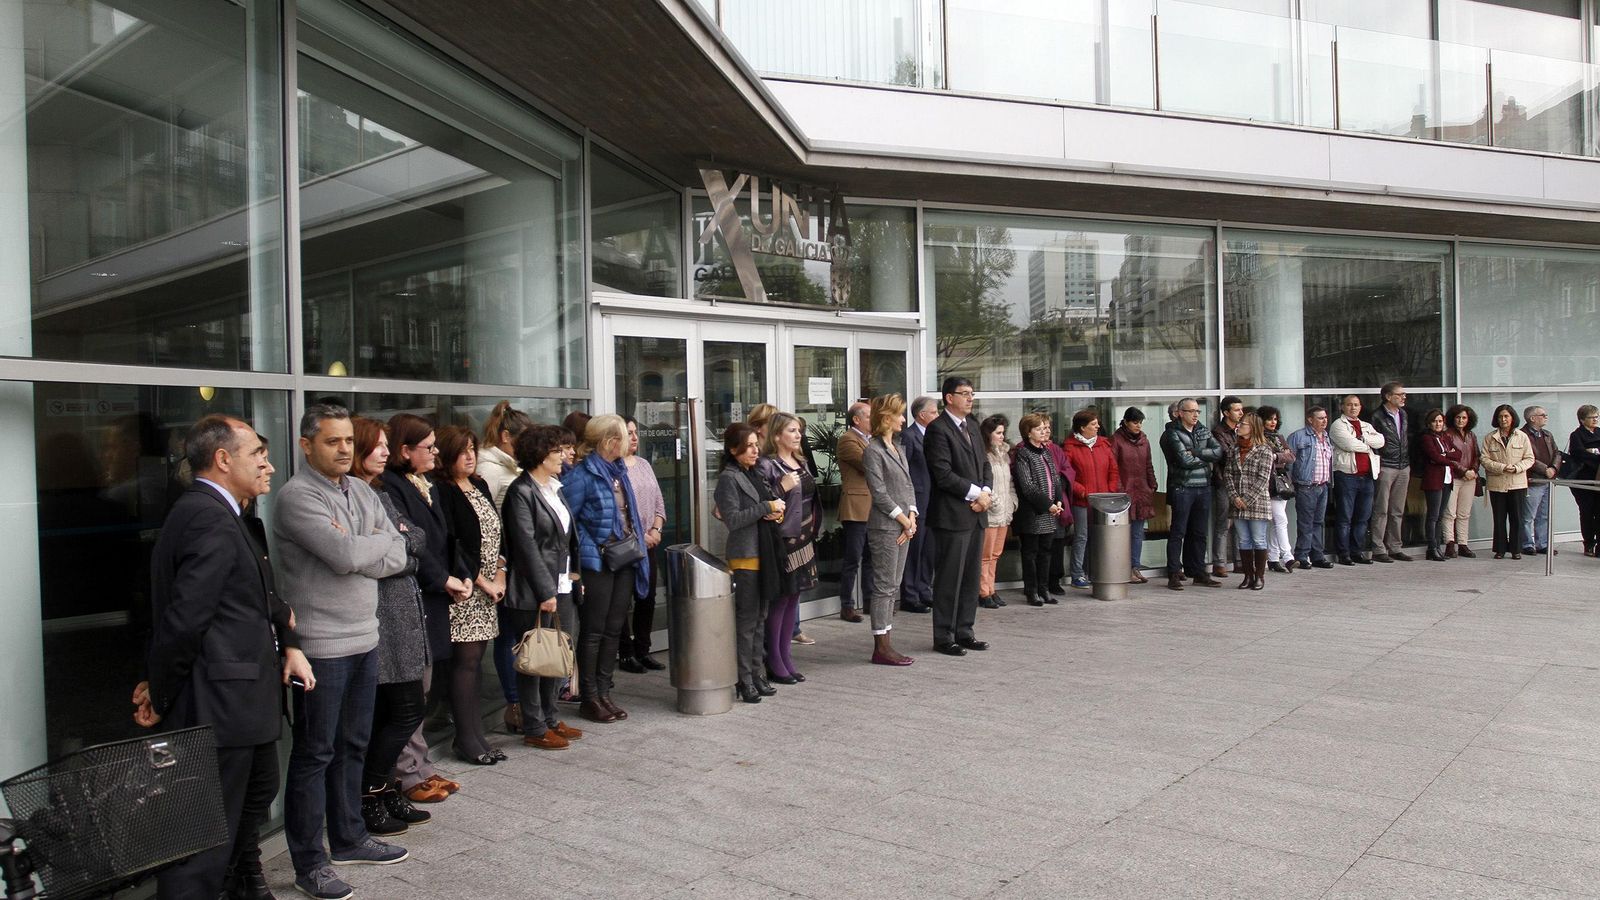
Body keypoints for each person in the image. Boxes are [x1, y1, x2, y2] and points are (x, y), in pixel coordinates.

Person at [139, 415, 312, 900]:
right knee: (202, 842)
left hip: (240, 703)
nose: (270, 466)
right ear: (222, 459)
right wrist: (161, 690)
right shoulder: (204, 515)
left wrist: (287, 640)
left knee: (250, 805)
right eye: (258, 455)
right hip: (218, 706)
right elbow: (184, 618)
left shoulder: (224, 513)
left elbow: (244, 600)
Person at [275, 404, 410, 898]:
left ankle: (350, 837)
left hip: (365, 637)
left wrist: (369, 545)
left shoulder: (360, 490)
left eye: (349, 441)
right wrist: (373, 543)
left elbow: (398, 553)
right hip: (320, 647)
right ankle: (310, 864)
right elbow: (346, 555)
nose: (345, 450)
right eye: (333, 442)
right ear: (307, 445)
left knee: (353, 745)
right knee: (315, 754)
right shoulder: (295, 497)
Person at [379, 413, 469, 805]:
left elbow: (446, 537)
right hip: (415, 594)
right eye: (427, 448)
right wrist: (442, 578)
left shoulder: (426, 482)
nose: (435, 453)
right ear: (405, 451)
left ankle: (422, 764)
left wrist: (460, 574)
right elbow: (412, 545)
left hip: (436, 593)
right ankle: (409, 772)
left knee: (426, 683)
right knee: (413, 687)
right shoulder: (393, 487)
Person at [350, 417, 431, 839]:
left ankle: (382, 788)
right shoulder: (355, 495)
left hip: (401, 611)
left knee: (397, 711)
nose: (385, 451)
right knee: (402, 711)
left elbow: (416, 537)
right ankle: (370, 793)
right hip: (382, 616)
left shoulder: (379, 491)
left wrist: (401, 546)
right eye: (378, 445)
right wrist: (400, 546)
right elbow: (379, 553)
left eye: (386, 445)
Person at [500, 424, 587, 747]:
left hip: (562, 582)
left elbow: (567, 539)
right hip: (535, 588)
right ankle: (535, 727)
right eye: (557, 451)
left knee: (560, 651)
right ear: (539, 455)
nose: (565, 455)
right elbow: (525, 547)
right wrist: (544, 592)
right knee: (535, 657)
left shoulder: (554, 486)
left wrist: (575, 577)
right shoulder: (521, 492)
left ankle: (551, 717)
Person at [563, 414, 650, 724]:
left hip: (623, 557)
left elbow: (629, 514)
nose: (627, 442)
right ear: (610, 441)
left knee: (614, 629)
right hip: (597, 561)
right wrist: (594, 544)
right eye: (622, 437)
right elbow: (568, 523)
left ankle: (603, 691)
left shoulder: (618, 472)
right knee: (594, 631)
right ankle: (589, 696)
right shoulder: (582, 475)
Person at [432, 426, 506, 764]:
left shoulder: (479, 484)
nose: (470, 455)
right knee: (465, 663)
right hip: (463, 590)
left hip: (489, 587)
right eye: (462, 450)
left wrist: (501, 571)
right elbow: (452, 543)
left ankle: (477, 734)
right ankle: (466, 738)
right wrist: (480, 580)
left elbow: (496, 534)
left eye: (472, 448)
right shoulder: (442, 490)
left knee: (477, 664)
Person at [923, 377, 992, 655]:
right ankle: (944, 636)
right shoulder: (938, 430)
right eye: (964, 394)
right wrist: (976, 494)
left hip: (976, 514)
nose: (970, 398)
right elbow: (942, 474)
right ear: (948, 398)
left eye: (972, 394)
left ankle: (965, 630)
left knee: (970, 577)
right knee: (950, 578)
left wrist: (986, 492)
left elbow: (985, 464)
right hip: (952, 516)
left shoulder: (973, 426)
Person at [715, 422, 783, 701]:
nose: (756, 450)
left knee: (760, 618)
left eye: (757, 444)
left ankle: (758, 674)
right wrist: (766, 508)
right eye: (750, 445)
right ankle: (744, 680)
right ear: (734, 450)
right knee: (746, 621)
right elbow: (732, 519)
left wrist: (775, 512)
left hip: (764, 552)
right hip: (745, 556)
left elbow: (770, 503)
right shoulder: (729, 478)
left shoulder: (753, 472)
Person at [478, 401, 531, 734]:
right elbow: (487, 522)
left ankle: (521, 700)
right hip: (500, 564)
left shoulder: (512, 465)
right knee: (507, 635)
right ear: (506, 436)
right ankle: (513, 702)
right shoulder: (490, 468)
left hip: (515, 561)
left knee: (514, 634)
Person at [759, 412, 821, 682]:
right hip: (782, 541)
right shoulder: (768, 465)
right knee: (781, 600)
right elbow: (762, 504)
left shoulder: (801, 460)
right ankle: (774, 660)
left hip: (804, 537)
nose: (798, 436)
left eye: (799, 431)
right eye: (792, 431)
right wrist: (781, 488)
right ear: (776, 436)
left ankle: (786, 656)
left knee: (794, 598)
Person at [863, 394, 918, 664]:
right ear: (886, 419)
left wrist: (912, 514)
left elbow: (907, 485)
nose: (903, 419)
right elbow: (879, 492)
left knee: (893, 586)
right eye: (900, 415)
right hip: (885, 527)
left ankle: (886, 641)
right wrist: (903, 519)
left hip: (902, 524)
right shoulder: (873, 450)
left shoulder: (897, 446)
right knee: (884, 586)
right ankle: (881, 647)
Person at [619, 416, 667, 673]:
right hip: (627, 544)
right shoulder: (614, 469)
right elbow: (617, 512)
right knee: (623, 600)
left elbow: (659, 501)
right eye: (629, 432)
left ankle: (643, 650)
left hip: (650, 542)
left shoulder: (644, 464)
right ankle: (625, 653)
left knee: (647, 597)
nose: (635, 437)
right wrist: (640, 535)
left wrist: (657, 529)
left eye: (636, 432)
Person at [1160, 398, 1222, 590]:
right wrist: (1205, 457)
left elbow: (1219, 451)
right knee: (1178, 531)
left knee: (1199, 532)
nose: (1195, 415)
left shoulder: (1203, 430)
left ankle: (1198, 571)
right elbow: (1183, 460)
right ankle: (1173, 573)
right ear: (1180, 413)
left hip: (1203, 486)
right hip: (1183, 486)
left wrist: (1195, 452)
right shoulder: (1171, 434)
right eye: (1191, 411)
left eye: (1197, 411)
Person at [1061, 407, 1120, 590]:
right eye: (1093, 424)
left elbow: (1113, 470)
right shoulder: (1070, 447)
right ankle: (1077, 574)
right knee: (1082, 536)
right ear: (1082, 428)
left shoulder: (1104, 444)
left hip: (1102, 501)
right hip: (1082, 501)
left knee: (1099, 537)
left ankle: (1096, 571)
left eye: (1097, 423)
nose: (1097, 427)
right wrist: (1082, 491)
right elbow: (1068, 474)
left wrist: (1109, 491)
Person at [1011, 412, 1065, 607]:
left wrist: (1058, 501)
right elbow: (1027, 486)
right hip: (1032, 513)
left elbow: (1056, 479)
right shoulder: (1023, 453)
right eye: (1040, 429)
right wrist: (1047, 504)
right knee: (1030, 553)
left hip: (1050, 511)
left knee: (1046, 552)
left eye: (1046, 428)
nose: (1045, 432)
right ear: (1028, 432)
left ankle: (1044, 589)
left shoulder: (1046, 451)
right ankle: (1031, 590)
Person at [1330, 394, 1384, 566]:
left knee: (1362, 517)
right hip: (1347, 476)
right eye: (1349, 405)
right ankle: (1343, 553)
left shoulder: (1366, 425)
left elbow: (1381, 441)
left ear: (1360, 407)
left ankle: (1357, 551)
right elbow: (1349, 445)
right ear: (1342, 407)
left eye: (1356, 405)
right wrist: (1368, 444)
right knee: (1345, 516)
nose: (1353, 408)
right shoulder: (1338, 425)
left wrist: (1364, 439)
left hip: (1367, 476)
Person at [1225, 413, 1274, 590]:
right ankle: (1247, 576)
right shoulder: (1234, 448)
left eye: (1243, 424)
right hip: (1237, 502)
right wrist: (1235, 497)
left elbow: (1263, 478)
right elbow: (1228, 474)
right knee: (1243, 540)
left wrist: (1247, 499)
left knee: (1258, 539)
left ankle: (1259, 576)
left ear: (1253, 427)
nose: (1239, 426)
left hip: (1257, 502)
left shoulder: (1264, 449)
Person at [899, 396, 939, 614]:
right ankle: (910, 595)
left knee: (929, 551)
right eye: (933, 412)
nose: (937, 415)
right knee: (915, 551)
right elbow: (904, 473)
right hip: (917, 501)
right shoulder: (908, 436)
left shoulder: (935, 435)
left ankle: (925, 590)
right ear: (922, 415)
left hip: (934, 501)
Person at [835, 401, 874, 623]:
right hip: (856, 507)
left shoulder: (870, 440)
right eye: (868, 416)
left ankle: (869, 601)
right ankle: (846, 605)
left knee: (871, 557)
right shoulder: (848, 439)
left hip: (873, 507)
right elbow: (868, 463)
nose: (873, 420)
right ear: (856, 420)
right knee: (852, 558)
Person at [1110, 407, 1156, 584]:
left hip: (1142, 492)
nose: (1139, 426)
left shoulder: (1144, 440)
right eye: (1135, 422)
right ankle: (1122, 568)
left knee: (1138, 533)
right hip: (1124, 493)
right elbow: (1113, 467)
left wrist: (1152, 484)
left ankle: (1135, 567)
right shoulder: (1116, 440)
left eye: (1141, 423)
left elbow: (1148, 464)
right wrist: (1120, 490)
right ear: (1126, 422)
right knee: (1122, 533)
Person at [1367, 383, 1413, 562]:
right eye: (1399, 394)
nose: (1403, 397)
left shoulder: (1403, 414)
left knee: (1397, 510)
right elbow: (1373, 441)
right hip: (1386, 465)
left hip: (1403, 466)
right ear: (1388, 396)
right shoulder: (1377, 416)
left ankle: (1395, 546)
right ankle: (1378, 548)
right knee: (1381, 509)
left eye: (1404, 394)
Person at [1481, 404, 1533, 560]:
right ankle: (1500, 549)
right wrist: (1502, 467)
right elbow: (1484, 459)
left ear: (1512, 418)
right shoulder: (1490, 437)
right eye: (1500, 417)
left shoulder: (1522, 436)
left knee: (1516, 517)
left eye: (1506, 416)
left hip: (1517, 483)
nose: (1503, 419)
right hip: (1497, 483)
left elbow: (1529, 458)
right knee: (1499, 518)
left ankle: (1516, 549)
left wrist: (1517, 468)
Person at [1286, 406, 1334, 570]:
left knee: (1318, 522)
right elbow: (1289, 461)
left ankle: (1317, 556)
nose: (1324, 420)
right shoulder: (1299, 436)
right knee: (1306, 523)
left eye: (1325, 417)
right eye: (1320, 418)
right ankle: (1302, 556)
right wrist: (1290, 483)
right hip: (1306, 486)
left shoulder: (1326, 437)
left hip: (1323, 485)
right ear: (1310, 419)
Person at [978, 414, 1015, 606]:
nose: (1002, 436)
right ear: (988, 434)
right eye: (998, 433)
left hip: (1004, 512)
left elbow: (1009, 484)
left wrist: (1012, 502)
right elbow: (983, 483)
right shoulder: (984, 455)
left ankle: (991, 589)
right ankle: (983, 592)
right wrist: (995, 502)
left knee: (996, 554)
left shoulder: (1005, 454)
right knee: (985, 555)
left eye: (1003, 432)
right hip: (990, 512)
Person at [1257, 407, 1297, 574]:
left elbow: (1291, 456)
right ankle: (1287, 556)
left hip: (1281, 482)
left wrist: (1276, 456)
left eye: (1275, 419)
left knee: (1277, 521)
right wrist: (1279, 456)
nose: (1273, 422)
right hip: (1269, 484)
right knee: (1281, 519)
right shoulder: (1259, 438)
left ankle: (1273, 558)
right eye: (1269, 419)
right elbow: (1264, 457)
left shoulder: (1278, 437)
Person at [1209, 396, 1244, 577]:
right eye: (1237, 410)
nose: (1241, 413)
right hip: (1223, 481)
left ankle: (1239, 561)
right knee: (1223, 523)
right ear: (1226, 413)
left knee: (1239, 522)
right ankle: (1219, 562)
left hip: (1241, 482)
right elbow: (1225, 455)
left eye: (1241, 409)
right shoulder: (1219, 432)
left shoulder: (1243, 430)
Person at [1520, 406, 1562, 556]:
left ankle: (1542, 544)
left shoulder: (1547, 434)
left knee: (1544, 515)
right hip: (1533, 480)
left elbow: (1557, 453)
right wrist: (1545, 469)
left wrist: (1554, 468)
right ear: (1532, 418)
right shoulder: (1522, 435)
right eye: (1543, 415)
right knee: (1528, 515)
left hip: (1548, 481)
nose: (1546, 417)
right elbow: (1527, 456)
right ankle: (1527, 544)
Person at [1441, 405, 1481, 558]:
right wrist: (1464, 471)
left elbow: (1477, 455)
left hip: (1470, 478)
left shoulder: (1471, 435)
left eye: (1464, 418)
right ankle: (1449, 544)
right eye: (1458, 417)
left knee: (1464, 513)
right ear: (1452, 418)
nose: (1461, 420)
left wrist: (1473, 471)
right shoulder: (1447, 435)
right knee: (1450, 512)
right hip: (1453, 477)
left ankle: (1463, 544)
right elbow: (1448, 456)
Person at [1419, 409, 1459, 561]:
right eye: (1435, 421)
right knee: (1433, 516)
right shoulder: (1426, 438)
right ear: (1429, 423)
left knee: (1441, 515)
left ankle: (1438, 547)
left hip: (1447, 479)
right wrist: (1448, 458)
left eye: (1440, 421)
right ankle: (1432, 547)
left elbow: (1458, 454)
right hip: (1434, 479)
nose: (1438, 424)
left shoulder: (1445, 437)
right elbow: (1434, 457)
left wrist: (1446, 455)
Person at [1566, 405, 1600, 556]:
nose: (1595, 420)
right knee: (1587, 511)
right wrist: (1595, 455)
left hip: (1598, 478)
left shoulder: (1599, 432)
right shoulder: (1576, 435)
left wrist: (1593, 452)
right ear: (1582, 420)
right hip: (1583, 479)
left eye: (1596, 417)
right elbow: (1579, 454)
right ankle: (1588, 543)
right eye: (1592, 417)